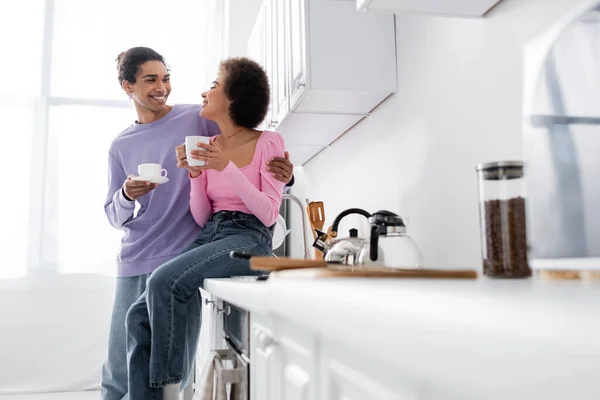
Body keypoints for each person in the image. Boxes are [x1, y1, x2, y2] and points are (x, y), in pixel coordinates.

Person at [101, 47, 294, 400]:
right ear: (127, 86)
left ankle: (168, 393)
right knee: (122, 356)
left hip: (189, 248)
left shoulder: (199, 121)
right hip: (146, 251)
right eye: (150, 80)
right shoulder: (120, 145)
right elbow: (115, 215)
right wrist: (129, 194)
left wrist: (285, 176)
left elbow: (249, 142)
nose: (162, 87)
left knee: (177, 365)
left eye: (166, 77)